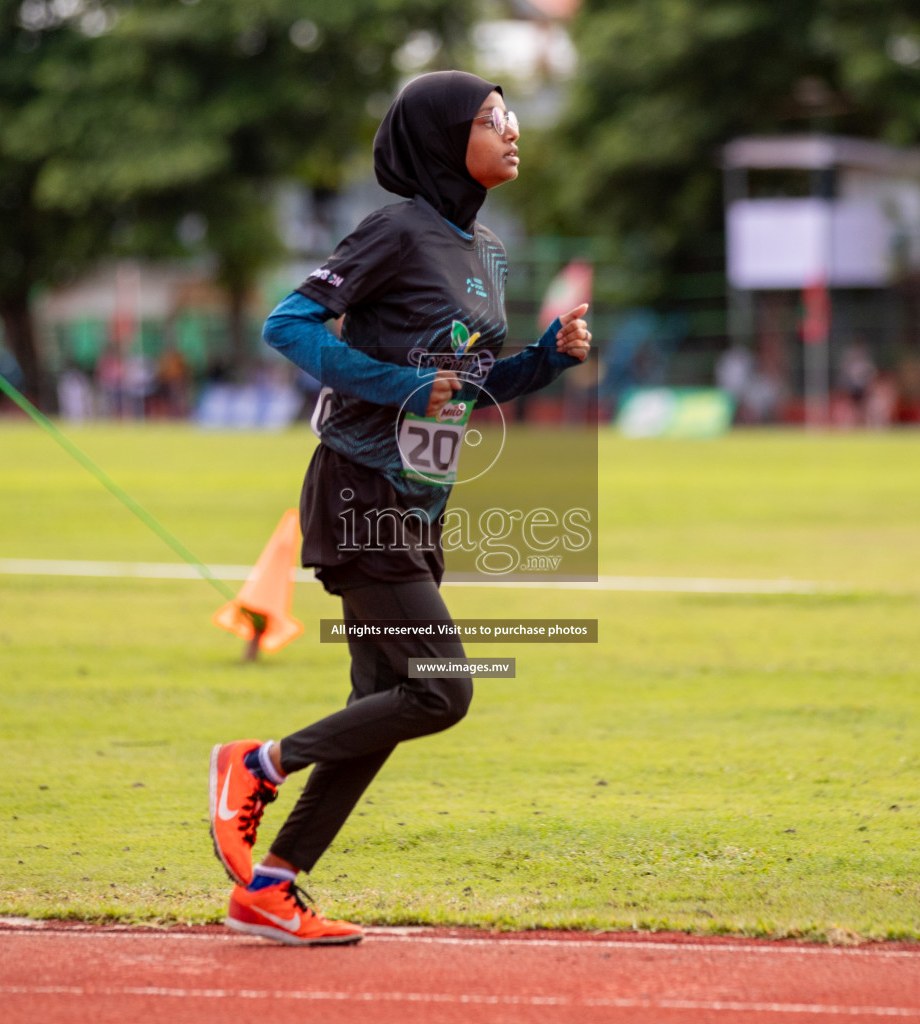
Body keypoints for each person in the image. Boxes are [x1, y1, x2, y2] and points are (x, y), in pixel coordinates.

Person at [207, 71, 592, 946]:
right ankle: (255, 765)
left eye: (510, 116)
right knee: (443, 691)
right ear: (442, 138)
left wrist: (545, 358)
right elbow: (288, 325)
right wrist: (403, 385)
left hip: (421, 499)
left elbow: (469, 383)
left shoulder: (485, 249)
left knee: (379, 705)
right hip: (358, 487)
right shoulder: (396, 230)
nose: (512, 129)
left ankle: (272, 886)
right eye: (492, 119)